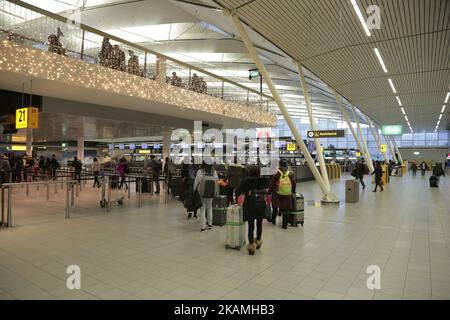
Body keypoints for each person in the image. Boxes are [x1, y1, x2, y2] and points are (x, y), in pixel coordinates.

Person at [237, 165, 269, 255]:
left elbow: (239, 191)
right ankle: (258, 242)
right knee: (259, 224)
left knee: (251, 226)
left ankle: (251, 246)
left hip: (250, 204)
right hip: (261, 204)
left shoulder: (246, 181)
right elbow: (267, 190)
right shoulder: (263, 181)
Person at [268, 159, 296, 229]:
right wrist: (293, 191)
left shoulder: (277, 174)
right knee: (285, 209)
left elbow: (272, 184)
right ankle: (284, 225)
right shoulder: (290, 173)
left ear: (279, 165)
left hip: (276, 193)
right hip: (286, 193)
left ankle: (273, 220)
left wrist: (269, 192)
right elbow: (293, 183)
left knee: (275, 207)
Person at [193, 161, 219, 232]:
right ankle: (210, 224)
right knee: (209, 207)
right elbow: (217, 181)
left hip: (202, 193)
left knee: (202, 209)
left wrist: (194, 189)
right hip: (211, 193)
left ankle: (203, 226)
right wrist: (216, 192)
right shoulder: (214, 171)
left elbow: (196, 182)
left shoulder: (200, 171)